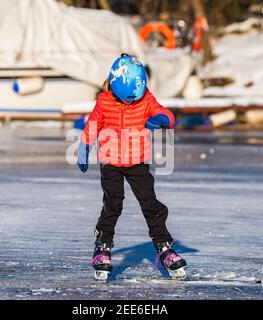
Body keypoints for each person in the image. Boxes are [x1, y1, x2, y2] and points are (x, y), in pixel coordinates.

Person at [77, 53, 186, 280]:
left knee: (150, 204)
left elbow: (166, 114)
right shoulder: (104, 101)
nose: (130, 102)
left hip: (138, 161)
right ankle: (103, 246)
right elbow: (93, 125)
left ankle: (164, 246)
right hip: (111, 162)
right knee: (113, 204)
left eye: (133, 98)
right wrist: (84, 147)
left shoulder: (145, 97)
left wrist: (162, 120)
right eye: (127, 98)